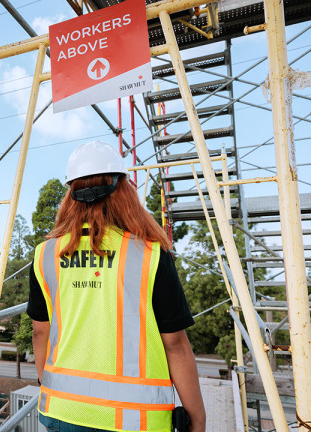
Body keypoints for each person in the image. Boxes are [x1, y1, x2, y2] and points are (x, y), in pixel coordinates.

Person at [27, 141, 206, 432]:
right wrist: (197, 419)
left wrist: (53, 388)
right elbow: (175, 346)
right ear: (124, 190)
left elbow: (40, 333)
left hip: (62, 411)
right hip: (136, 420)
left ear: (70, 194)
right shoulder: (151, 255)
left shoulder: (46, 255)